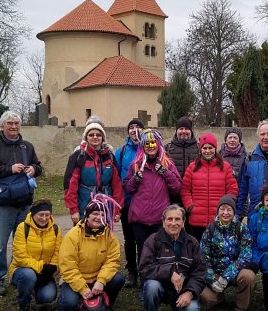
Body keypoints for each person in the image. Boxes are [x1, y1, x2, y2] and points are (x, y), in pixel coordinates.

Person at [0, 111, 42, 296]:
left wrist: (33, 169)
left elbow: (39, 166)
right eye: (10, 123)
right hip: (2, 203)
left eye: (16, 123)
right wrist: (9, 169)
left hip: (24, 203)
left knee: (21, 243)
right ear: (2, 126)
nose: (13, 127)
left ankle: (17, 274)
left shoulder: (27, 146)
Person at [57, 194, 126, 311]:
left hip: (96, 279)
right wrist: (82, 288)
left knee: (118, 279)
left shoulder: (110, 236)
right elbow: (68, 266)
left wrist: (101, 281)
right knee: (70, 303)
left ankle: (103, 304)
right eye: (95, 213)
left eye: (102, 214)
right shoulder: (73, 235)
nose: (98, 217)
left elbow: (113, 261)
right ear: (87, 216)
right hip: (75, 280)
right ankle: (63, 306)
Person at [139, 204, 206, 311]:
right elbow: (145, 268)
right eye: (169, 219)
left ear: (183, 222)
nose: (173, 223)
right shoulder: (152, 240)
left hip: (181, 289)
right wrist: (169, 272)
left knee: (193, 309)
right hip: (159, 285)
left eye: (177, 219)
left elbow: (200, 272)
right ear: (163, 222)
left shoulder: (192, 243)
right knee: (151, 287)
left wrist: (190, 292)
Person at [123, 128, 181, 272]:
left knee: (162, 250)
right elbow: (127, 187)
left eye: (153, 142)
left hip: (160, 218)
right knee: (143, 251)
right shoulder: (135, 165)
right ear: (142, 146)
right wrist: (136, 179)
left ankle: (161, 280)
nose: (150, 146)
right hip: (140, 219)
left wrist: (165, 172)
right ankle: (144, 282)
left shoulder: (168, 164)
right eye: (147, 143)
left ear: (158, 144)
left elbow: (177, 187)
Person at [199, 195, 256, 311]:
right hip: (215, 274)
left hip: (235, 272)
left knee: (248, 276)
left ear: (234, 212)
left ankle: (241, 306)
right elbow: (203, 256)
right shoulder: (210, 229)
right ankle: (219, 299)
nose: (225, 213)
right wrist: (212, 277)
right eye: (222, 209)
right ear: (218, 211)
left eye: (229, 209)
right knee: (206, 297)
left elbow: (245, 255)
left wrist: (227, 276)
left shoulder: (241, 228)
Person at [64, 116, 125, 225]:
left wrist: (117, 209)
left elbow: (117, 185)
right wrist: (73, 210)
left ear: (103, 137)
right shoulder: (78, 156)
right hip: (84, 207)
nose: (95, 137)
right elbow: (70, 185)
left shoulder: (109, 156)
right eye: (91, 135)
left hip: (105, 207)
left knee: (104, 239)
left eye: (98, 135)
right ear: (86, 137)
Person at [9, 199, 61, 311]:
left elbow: (58, 253)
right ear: (33, 214)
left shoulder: (55, 229)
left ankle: (37, 293)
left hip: (45, 272)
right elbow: (20, 255)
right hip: (23, 270)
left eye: (47, 215)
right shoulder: (23, 228)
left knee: (47, 297)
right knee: (28, 276)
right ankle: (24, 306)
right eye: (40, 215)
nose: (44, 218)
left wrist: (53, 268)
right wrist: (41, 267)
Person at [180, 133, 238, 241]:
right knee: (196, 251)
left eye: (210, 148)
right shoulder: (192, 167)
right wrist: (190, 206)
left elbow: (232, 189)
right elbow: (185, 190)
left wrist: (226, 208)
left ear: (215, 149)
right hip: (196, 220)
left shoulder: (225, 167)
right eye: (204, 148)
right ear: (200, 149)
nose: (207, 151)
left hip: (218, 219)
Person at [114, 118, 145, 287]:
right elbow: (116, 178)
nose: (135, 130)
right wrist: (118, 203)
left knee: (142, 240)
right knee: (129, 239)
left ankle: (143, 271)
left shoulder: (149, 148)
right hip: (127, 202)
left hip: (144, 204)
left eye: (138, 127)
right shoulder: (121, 151)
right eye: (131, 128)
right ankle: (131, 271)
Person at [166, 116, 199, 194]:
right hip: (172, 195)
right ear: (176, 131)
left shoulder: (199, 148)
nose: (183, 131)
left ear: (191, 131)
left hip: (193, 195)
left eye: (186, 129)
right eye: (181, 129)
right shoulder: (167, 148)